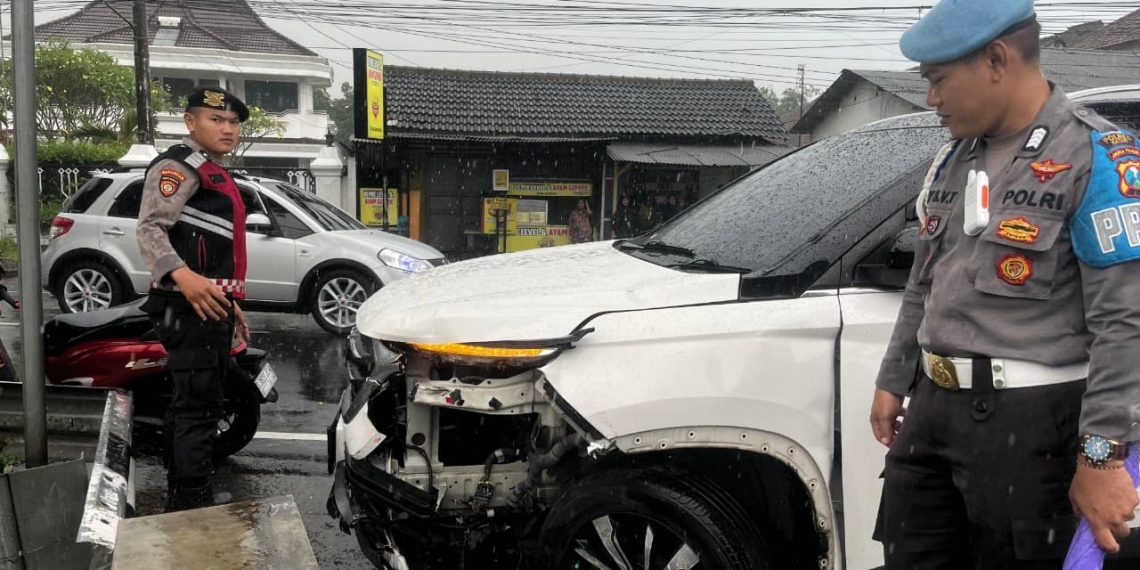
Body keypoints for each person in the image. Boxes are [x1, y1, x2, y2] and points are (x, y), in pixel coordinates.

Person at [870, 1, 1140, 568]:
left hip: (1033, 427)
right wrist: (895, 378)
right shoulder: (951, 161)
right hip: (931, 414)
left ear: (997, 59)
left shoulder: (1100, 159)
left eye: (938, 80)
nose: (931, 99)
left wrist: (1101, 460)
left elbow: (1126, 325)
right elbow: (925, 279)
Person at [137, 87, 252, 511]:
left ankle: (182, 495)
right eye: (216, 120)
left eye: (233, 122)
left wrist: (231, 301)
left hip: (207, 304)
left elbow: (211, 247)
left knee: (193, 404)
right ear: (190, 122)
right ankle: (192, 504)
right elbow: (150, 228)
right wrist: (184, 278)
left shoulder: (209, 168)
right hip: (187, 306)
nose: (227, 128)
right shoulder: (177, 166)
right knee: (199, 411)